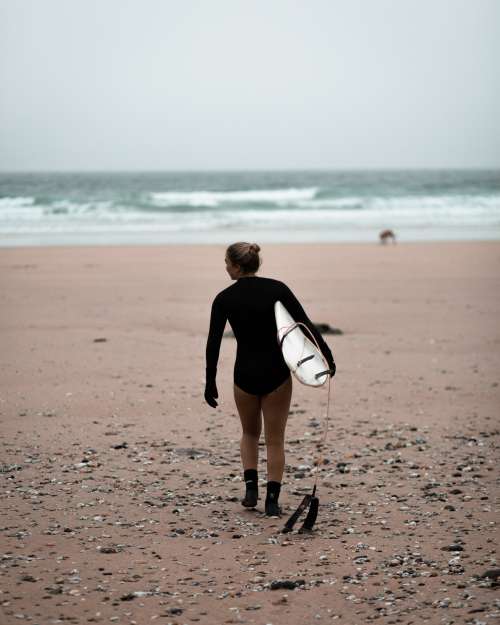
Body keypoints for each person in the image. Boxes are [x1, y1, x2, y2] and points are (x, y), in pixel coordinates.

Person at [204, 242, 335, 516]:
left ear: (237, 267)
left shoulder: (224, 298)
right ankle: (272, 501)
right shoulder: (277, 289)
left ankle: (251, 489)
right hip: (276, 374)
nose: (225, 267)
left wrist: (210, 381)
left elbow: (213, 343)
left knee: (250, 433)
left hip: (244, 375)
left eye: (227, 263)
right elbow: (305, 324)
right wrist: (326, 356)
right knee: (275, 439)